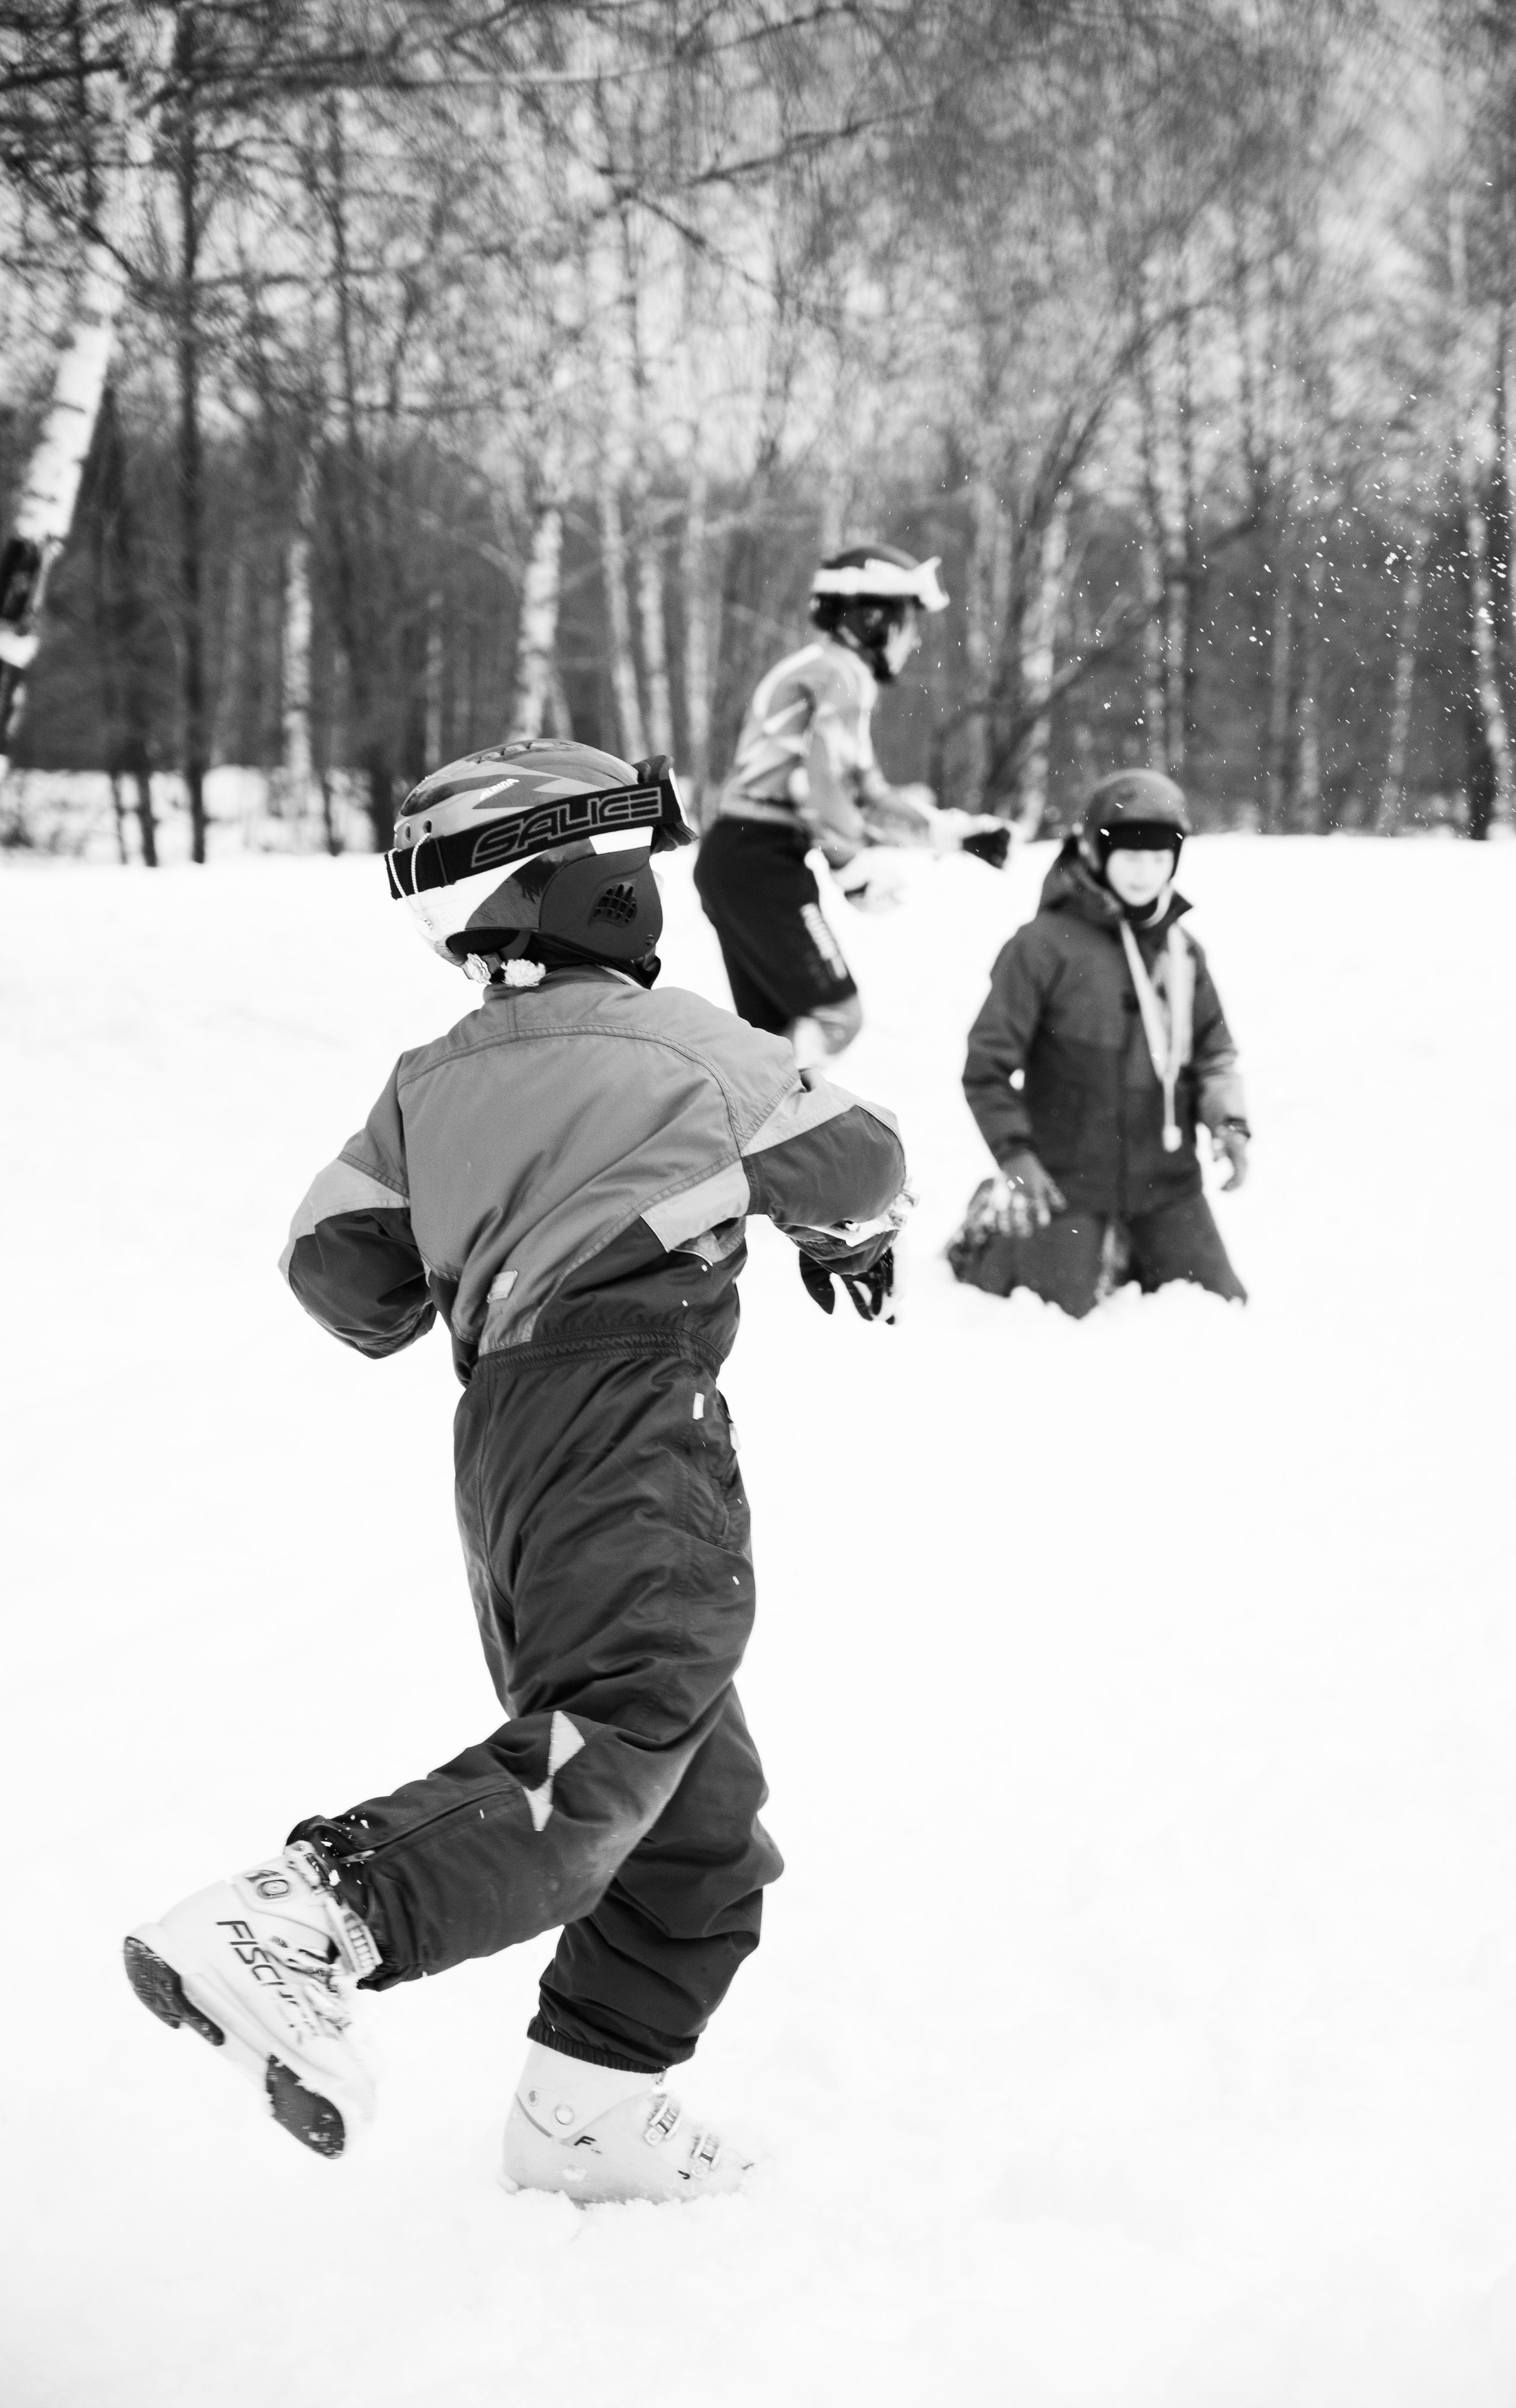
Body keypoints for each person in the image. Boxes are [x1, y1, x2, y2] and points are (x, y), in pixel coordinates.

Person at [124, 739, 907, 2204]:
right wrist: (850, 1243)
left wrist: (484, 1221)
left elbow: (336, 1270)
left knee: (698, 1829)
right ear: (594, 884)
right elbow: (859, 1159)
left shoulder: (428, 1081)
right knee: (615, 1737)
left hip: (507, 1449)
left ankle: (585, 2117)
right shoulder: (689, 1046)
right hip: (633, 1422)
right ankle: (311, 1913)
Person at [950, 768, 1249, 1316]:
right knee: (1059, 1308)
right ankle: (989, 1223)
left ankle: (1125, 1243)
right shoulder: (1041, 947)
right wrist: (1016, 1157)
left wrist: (1228, 1121)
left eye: (1159, 858)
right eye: (1130, 857)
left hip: (1165, 1179)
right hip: (1066, 1176)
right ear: (1094, 852)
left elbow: (1215, 1055)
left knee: (1221, 1303)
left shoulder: (1184, 953)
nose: (1145, 873)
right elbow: (986, 1069)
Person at [695, 541, 1009, 1061]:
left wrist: (948, 832)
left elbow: (865, 792)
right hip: (762, 860)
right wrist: (852, 867)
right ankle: (776, 1110)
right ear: (873, 619)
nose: (914, 640)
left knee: (772, 1041)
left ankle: (762, 1114)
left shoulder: (826, 669)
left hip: (736, 856)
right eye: (909, 623)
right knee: (836, 1016)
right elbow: (820, 788)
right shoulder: (843, 676)